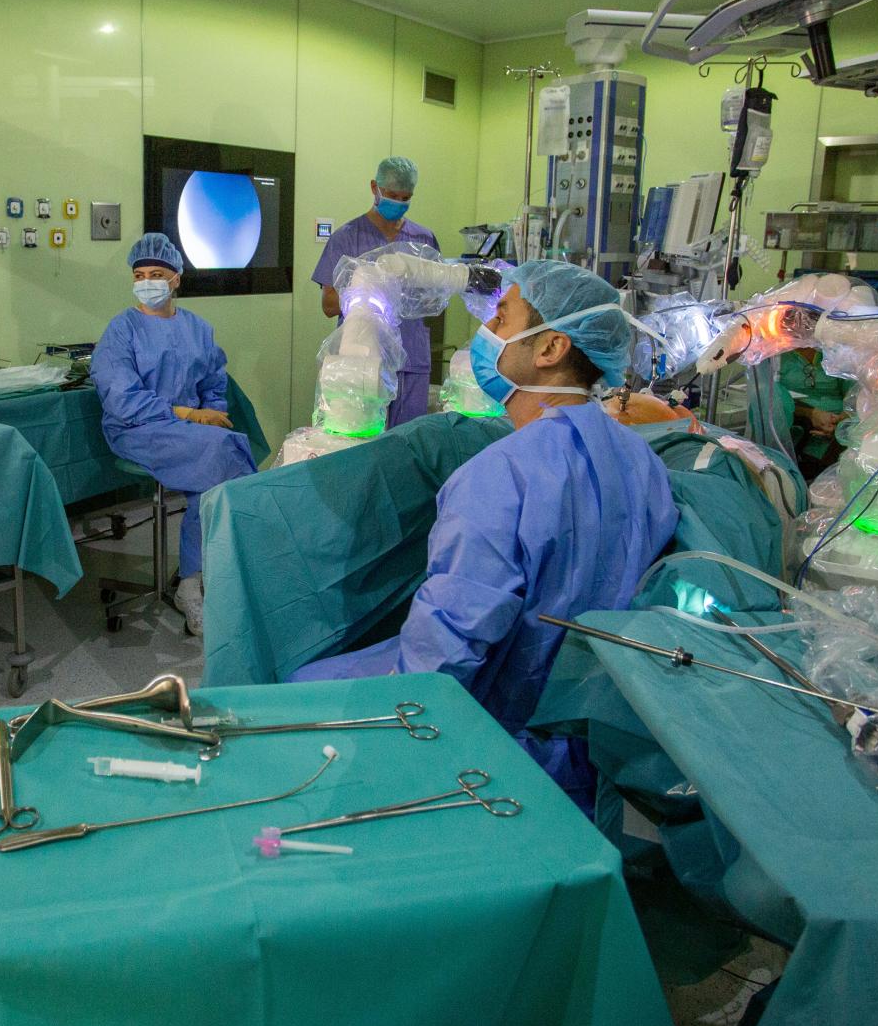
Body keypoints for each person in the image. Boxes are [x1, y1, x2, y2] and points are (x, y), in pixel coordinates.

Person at [292, 261, 679, 811]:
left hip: (500, 746)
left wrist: (390, 749)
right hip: (593, 748)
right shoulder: (641, 460)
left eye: (501, 317)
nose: (486, 330)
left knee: (299, 688)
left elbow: (444, 653)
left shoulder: (500, 478)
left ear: (550, 348)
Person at [91, 233, 258, 636]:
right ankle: (203, 579)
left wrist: (210, 415)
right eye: (139, 275)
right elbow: (121, 398)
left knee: (216, 464)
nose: (147, 282)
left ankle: (194, 579)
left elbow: (214, 384)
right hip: (138, 427)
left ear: (176, 279)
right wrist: (185, 413)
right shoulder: (122, 329)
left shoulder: (198, 329)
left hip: (186, 431)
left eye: (156, 274)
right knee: (223, 454)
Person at [313, 156, 439, 428]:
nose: (399, 203)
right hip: (361, 360)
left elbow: (434, 297)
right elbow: (329, 304)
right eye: (392, 196)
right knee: (361, 434)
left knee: (408, 440)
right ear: (374, 188)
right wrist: (372, 292)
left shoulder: (423, 240)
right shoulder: (347, 238)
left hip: (410, 358)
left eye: (406, 198)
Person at [779, 346, 849, 480]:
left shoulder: (834, 352)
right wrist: (810, 414)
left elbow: (854, 396)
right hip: (798, 425)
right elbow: (772, 399)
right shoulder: (776, 355)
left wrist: (842, 420)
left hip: (839, 425)